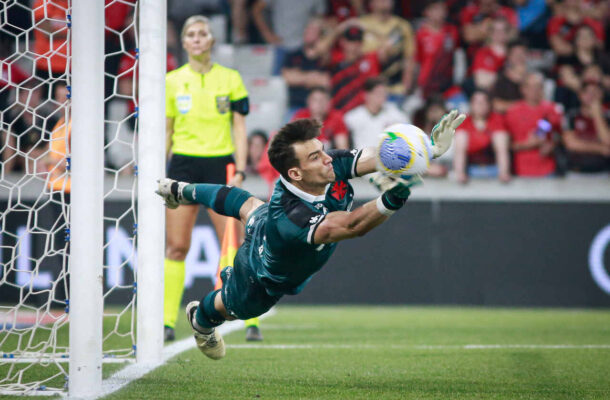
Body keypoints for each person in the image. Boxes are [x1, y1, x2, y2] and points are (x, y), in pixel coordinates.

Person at [156, 111, 466, 360]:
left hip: (272, 224)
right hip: (261, 276)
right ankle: (200, 319)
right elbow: (350, 226)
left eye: (321, 150)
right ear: (296, 173)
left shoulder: (326, 166)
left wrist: (426, 150)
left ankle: (181, 190)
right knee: (232, 304)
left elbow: (379, 156)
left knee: (248, 206)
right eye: (316, 157)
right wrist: (392, 198)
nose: (328, 158)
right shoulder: (291, 220)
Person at [164, 15, 250, 342]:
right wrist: (161, 172)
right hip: (183, 165)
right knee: (176, 246)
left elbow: (240, 127)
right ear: (184, 43)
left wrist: (240, 168)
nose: (198, 39)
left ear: (211, 40)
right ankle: (165, 322)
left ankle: (226, 310)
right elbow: (167, 132)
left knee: (232, 243)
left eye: (203, 34)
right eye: (191, 35)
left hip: (220, 165)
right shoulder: (172, 81)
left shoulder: (230, 79)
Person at [504, 72, 563, 177]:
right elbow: (506, 144)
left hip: (548, 170)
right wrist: (528, 144)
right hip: (521, 171)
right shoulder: (513, 112)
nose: (535, 91)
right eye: (531, 87)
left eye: (538, 87)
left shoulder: (552, 109)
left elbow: (559, 135)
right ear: (523, 89)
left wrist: (552, 144)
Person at [453, 90, 511, 183]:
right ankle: (460, 173)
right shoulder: (464, 121)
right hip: (470, 168)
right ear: (471, 105)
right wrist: (461, 174)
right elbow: (460, 149)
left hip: (493, 168)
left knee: (500, 137)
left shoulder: (497, 120)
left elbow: (502, 149)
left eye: (483, 102)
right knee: (461, 136)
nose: (480, 105)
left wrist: (503, 173)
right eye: (477, 102)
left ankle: (503, 172)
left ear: (489, 105)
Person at [344, 77, 407, 149]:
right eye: (378, 93)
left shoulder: (395, 114)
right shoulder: (353, 117)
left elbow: (408, 132)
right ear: (367, 95)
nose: (382, 96)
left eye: (384, 93)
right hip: (362, 157)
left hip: (386, 157)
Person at [562, 82, 610, 172]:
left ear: (601, 95)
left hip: (604, 171)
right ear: (580, 95)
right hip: (576, 170)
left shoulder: (607, 117)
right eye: (588, 93)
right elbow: (571, 144)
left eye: (595, 93)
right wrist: (600, 148)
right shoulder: (571, 116)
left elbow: (607, 141)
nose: (591, 96)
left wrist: (597, 116)